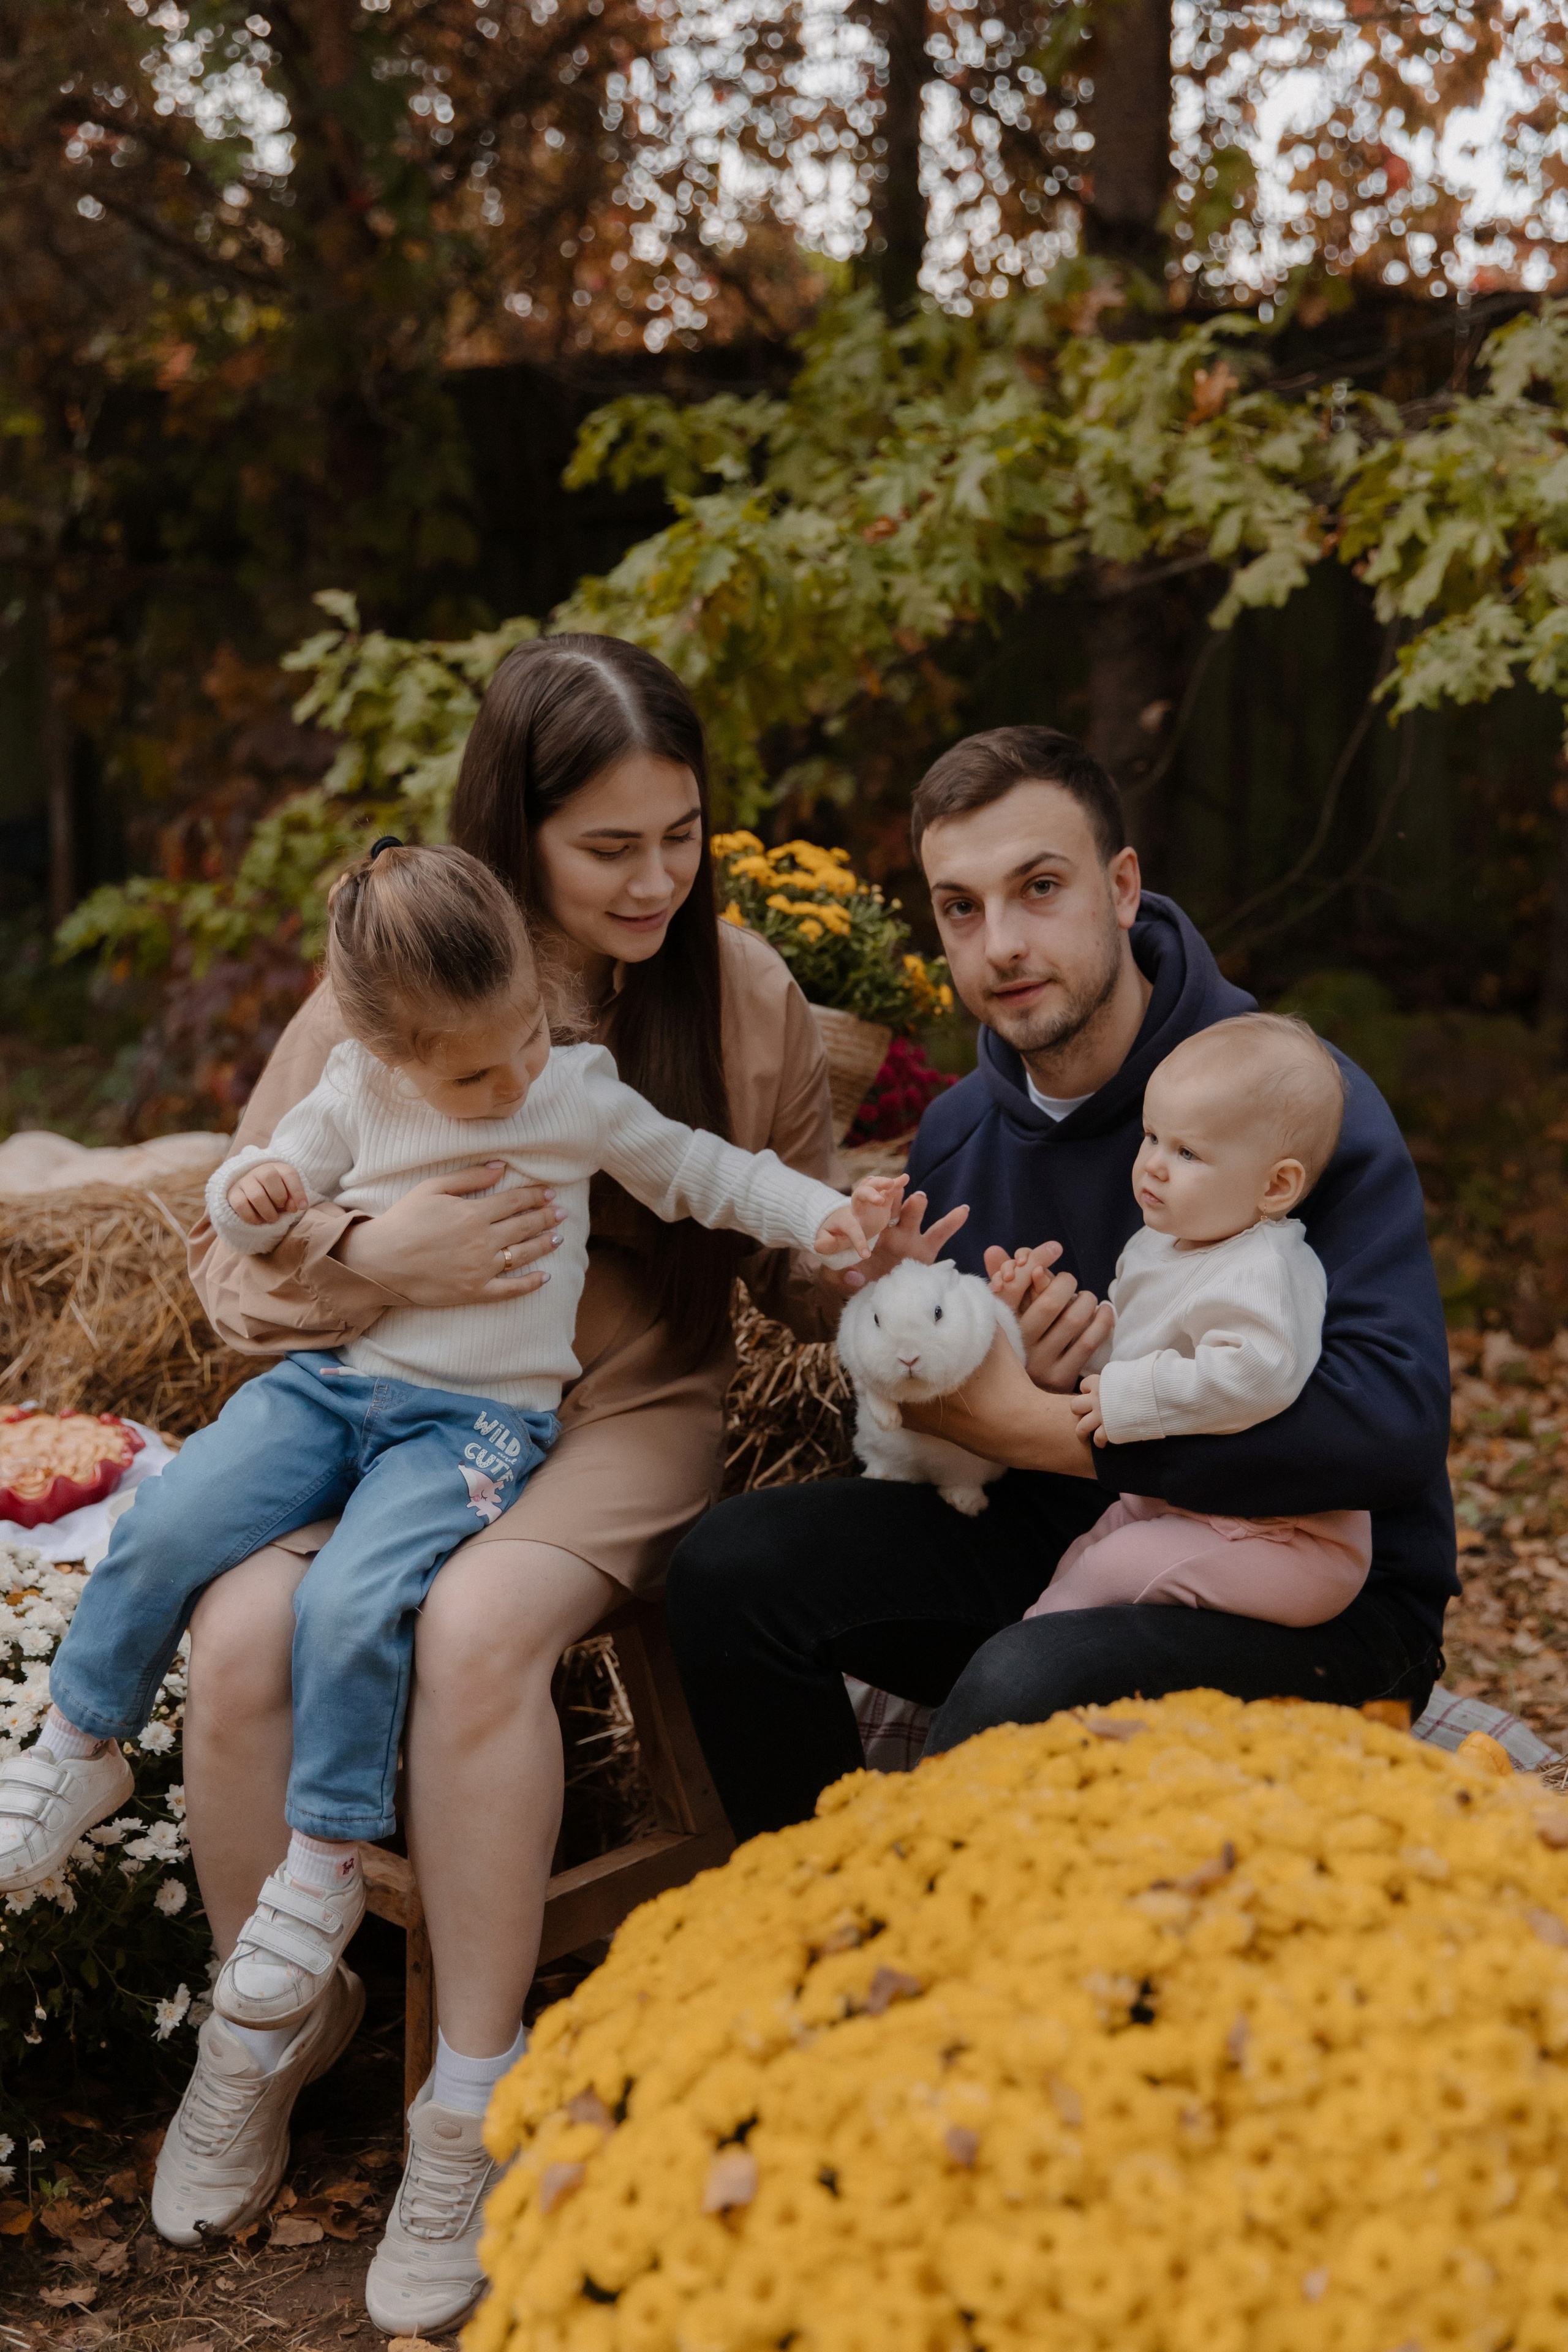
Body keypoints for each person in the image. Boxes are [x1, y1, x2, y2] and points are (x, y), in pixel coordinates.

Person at [149, 636, 942, 2335]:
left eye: (682, 836)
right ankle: (269, 2029)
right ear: (515, 833)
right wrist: (376, 1243)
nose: (656, 879)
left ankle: (469, 2108)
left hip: (620, 1409)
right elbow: (236, 1272)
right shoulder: (397, 977)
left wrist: (859, 1258)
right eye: (609, 848)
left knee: (485, 1627)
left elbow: (782, 1254)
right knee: (237, 1636)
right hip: (379, 1401)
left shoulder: (738, 995)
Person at [0, 845, 894, 2014]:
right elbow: (251, 1194)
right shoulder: (356, 1089)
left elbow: (705, 1173)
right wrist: (258, 1198)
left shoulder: (571, 1090)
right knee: (174, 1515)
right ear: (389, 1057)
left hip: (474, 1428)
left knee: (352, 1597)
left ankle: (322, 1860)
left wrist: (831, 1218)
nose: (515, 1081)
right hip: (331, 1390)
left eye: (529, 1036)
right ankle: (82, 1740)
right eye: (474, 1078)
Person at [665, 724, 1456, 1842]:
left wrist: (1054, 1426)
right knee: (730, 1570)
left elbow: (1394, 1428)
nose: (1002, 944)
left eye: (1040, 888)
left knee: (1027, 1682)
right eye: (961, 907)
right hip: (1067, 1550)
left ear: (1123, 887)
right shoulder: (953, 1137)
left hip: (1313, 1594)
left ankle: (943, 1967)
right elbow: (941, 1443)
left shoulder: (1284, 1102)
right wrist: (913, 1348)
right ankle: (821, 1928)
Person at [1028, 1011, 1371, 1626]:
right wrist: (1078, 1342)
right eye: (1152, 1136)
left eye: (1187, 1151)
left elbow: (1257, 1374)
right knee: (1083, 1557)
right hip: (1185, 1505)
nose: (1154, 1164)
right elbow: (1136, 1356)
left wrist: (1127, 1396)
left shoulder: (1265, 1266)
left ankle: (1026, 1688)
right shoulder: (1159, 1244)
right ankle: (1027, 1665)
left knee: (1108, 1571)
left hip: (1289, 1539)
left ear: (1275, 1186)